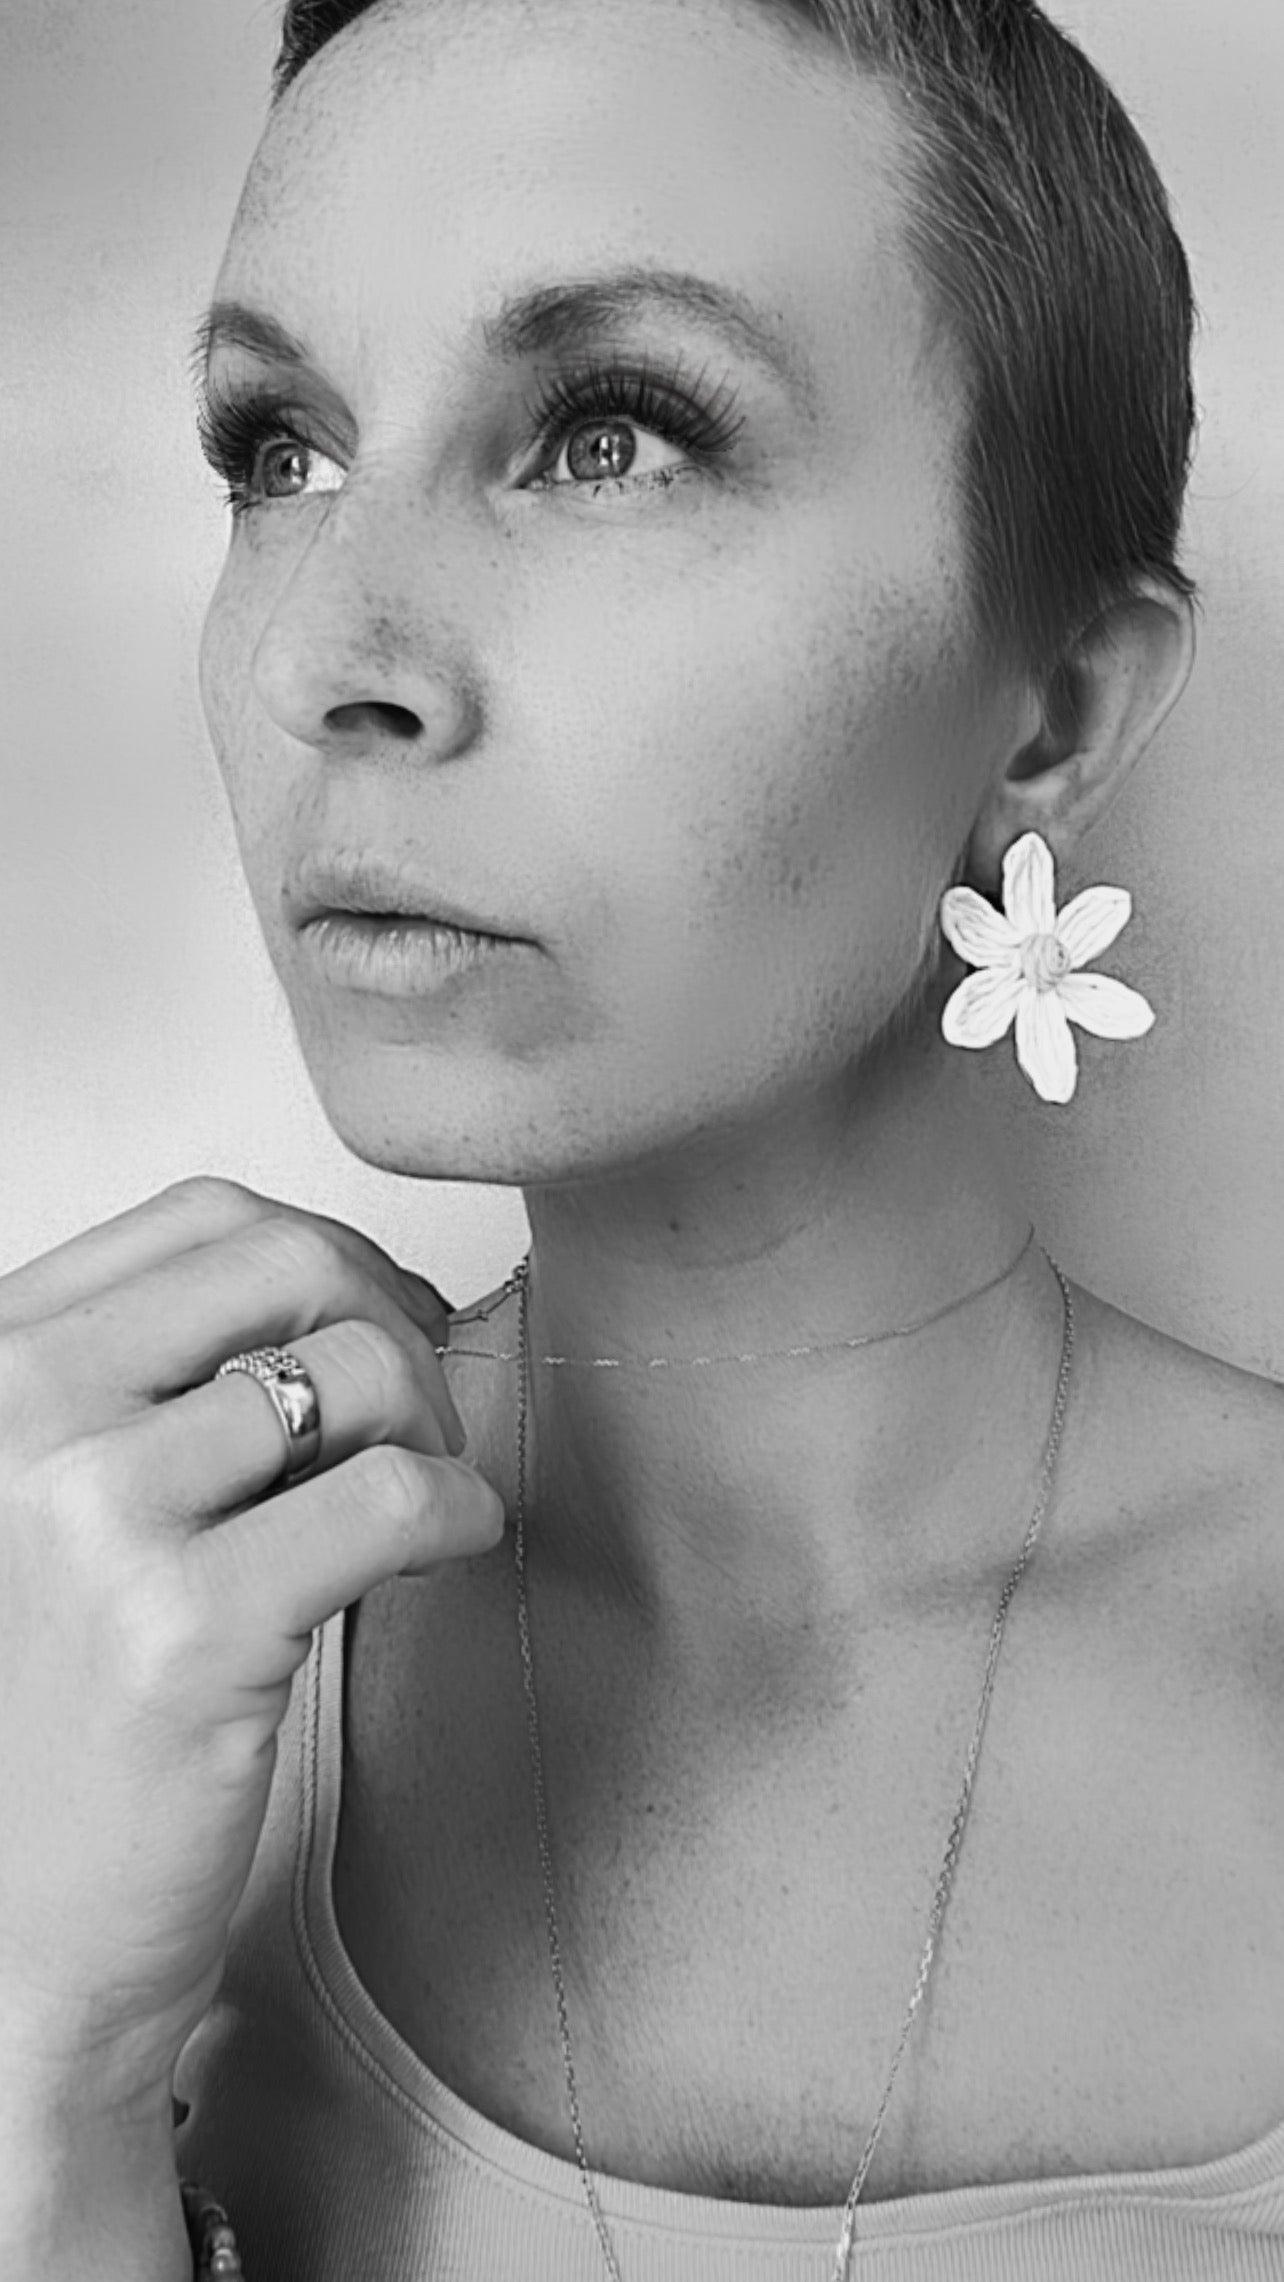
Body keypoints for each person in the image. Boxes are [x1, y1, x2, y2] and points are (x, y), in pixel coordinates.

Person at [2, 0, 1281, 2276]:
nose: (325, 657)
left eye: (609, 434)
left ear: (1057, 709)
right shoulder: (91, 1676)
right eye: (280, 447)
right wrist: (34, 2070)